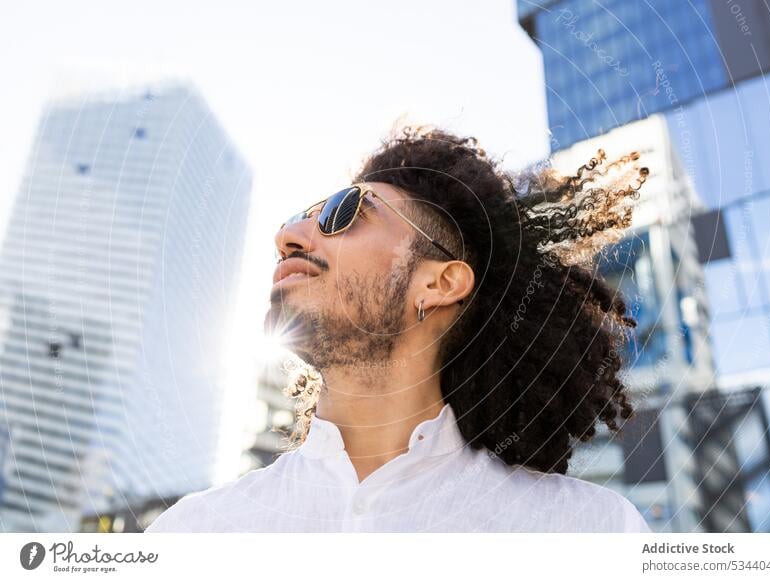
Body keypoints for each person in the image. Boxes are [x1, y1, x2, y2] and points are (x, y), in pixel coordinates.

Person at [146, 125, 652, 532]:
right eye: (297, 218)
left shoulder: (587, 533)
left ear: (440, 282)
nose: (288, 237)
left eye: (345, 213)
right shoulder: (194, 533)